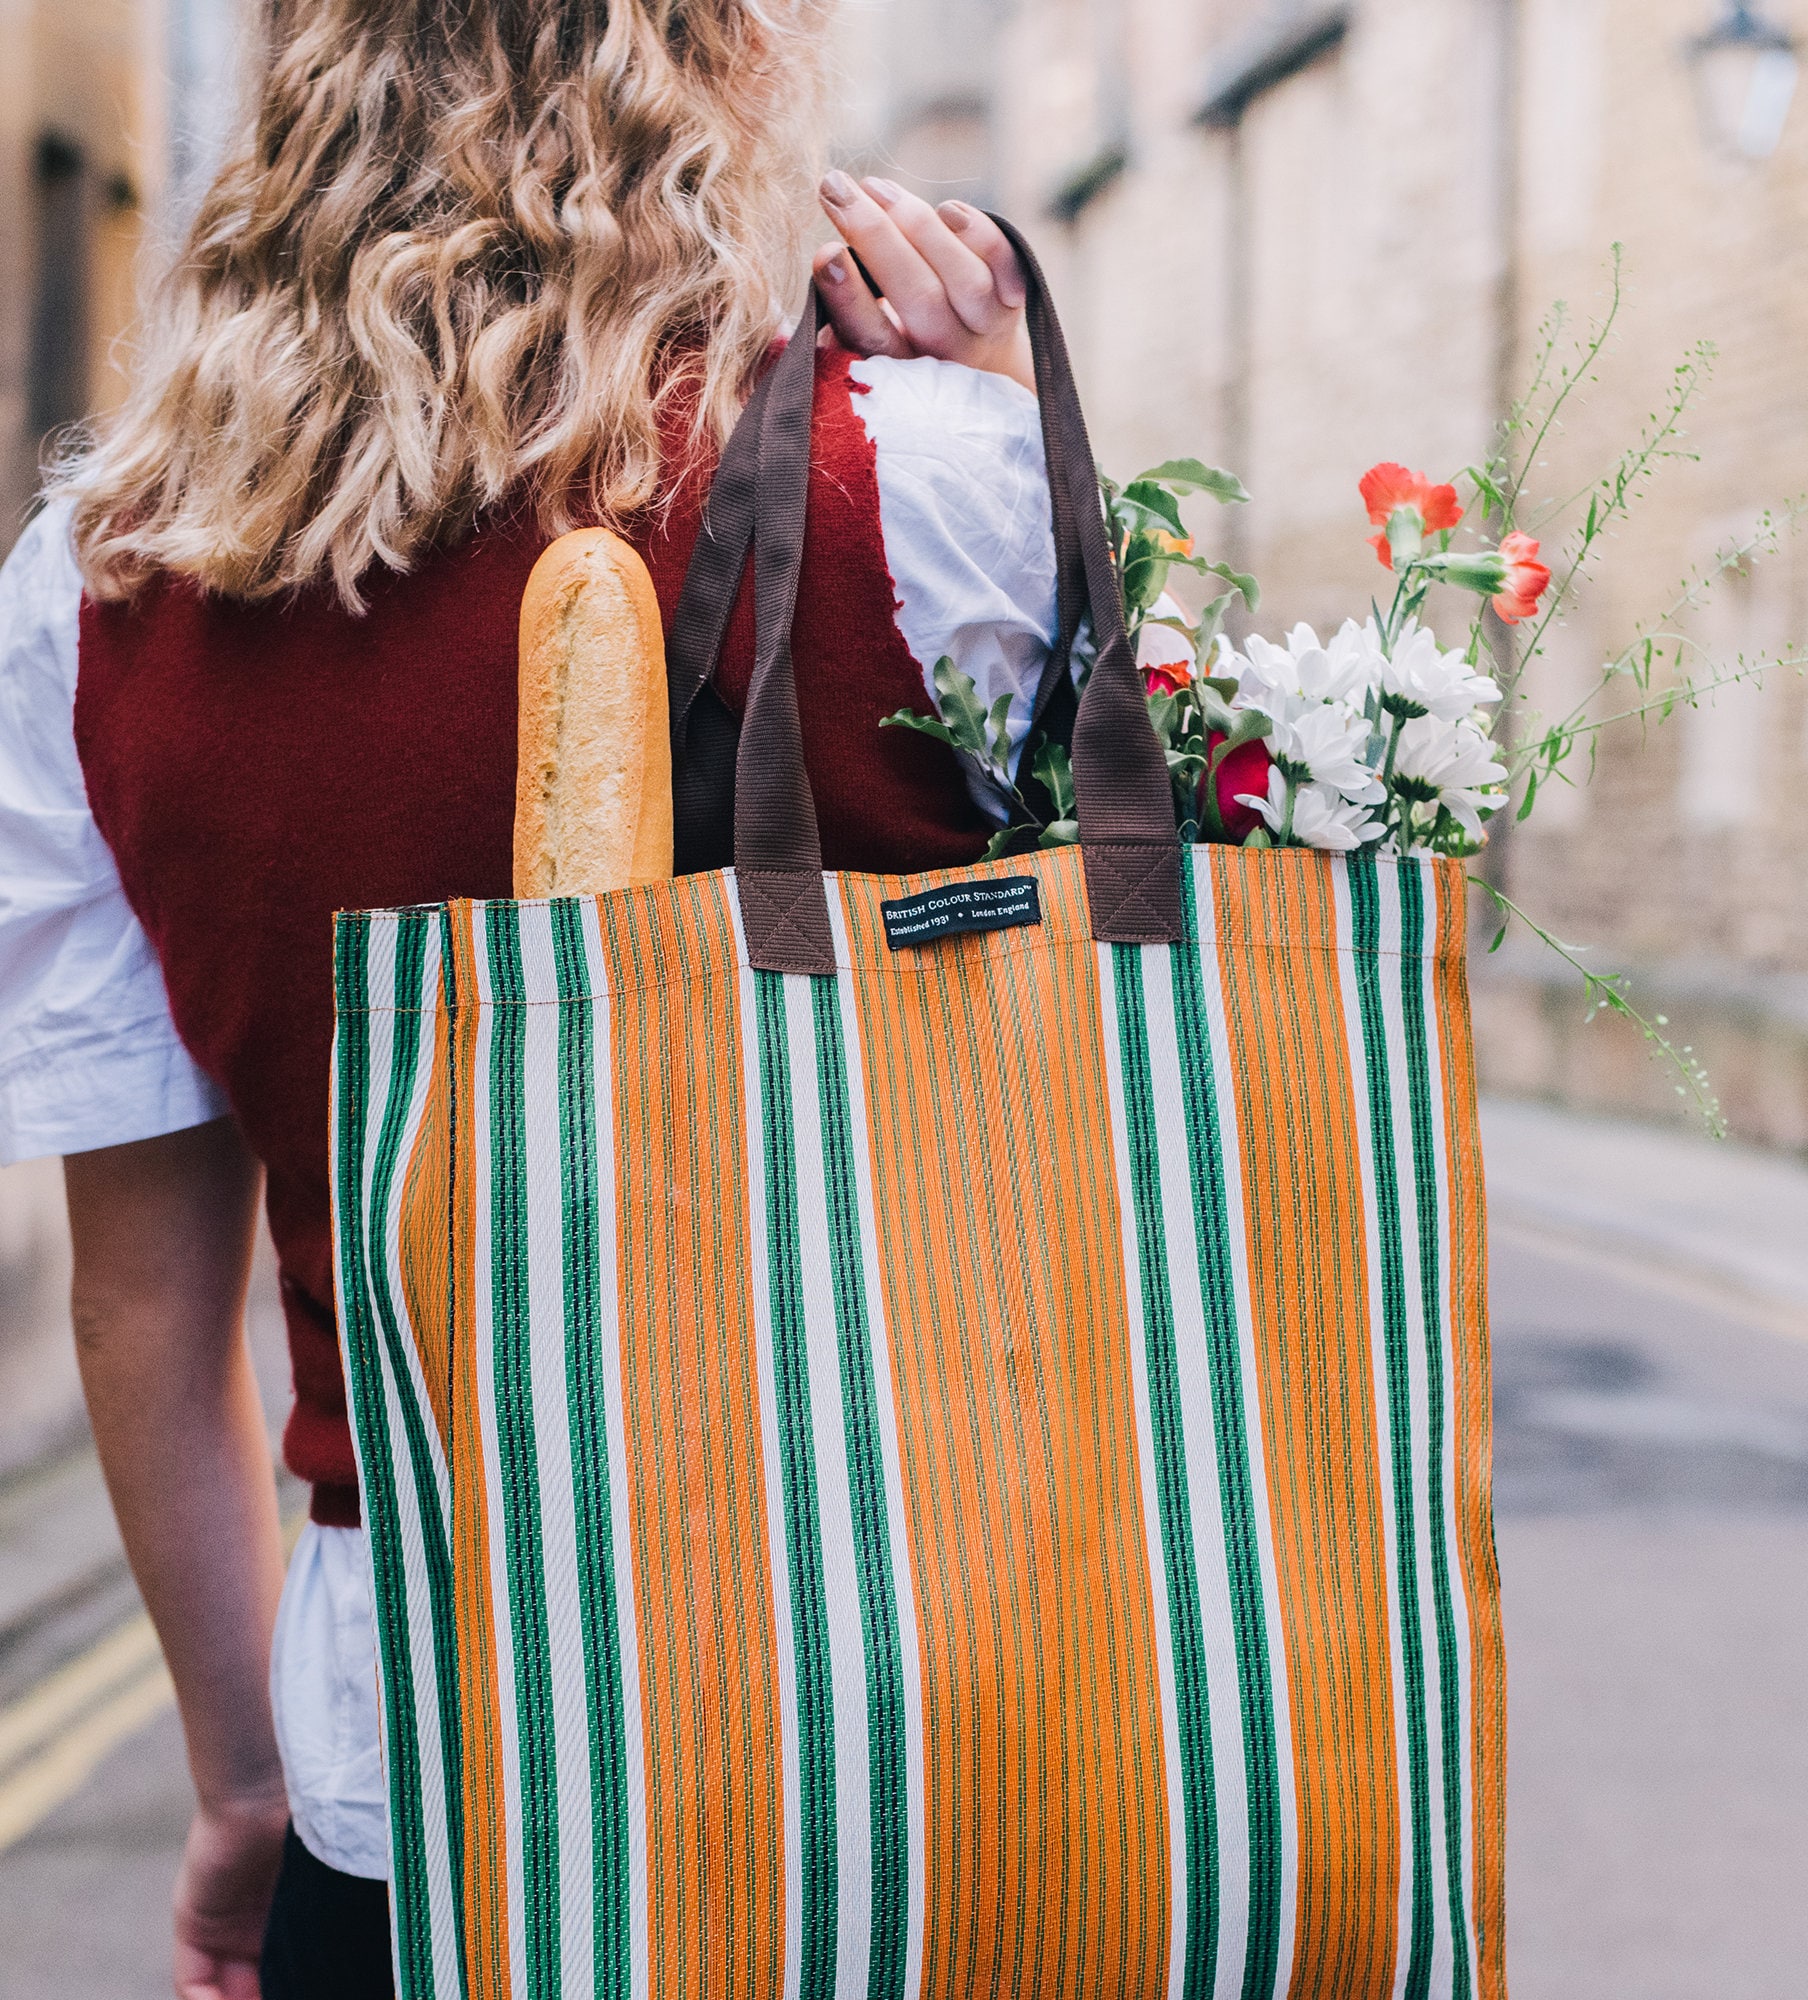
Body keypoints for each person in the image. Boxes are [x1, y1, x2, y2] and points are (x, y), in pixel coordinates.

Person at [0, 3, 1071, 1992]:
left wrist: (244, 1787)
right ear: (729, 69)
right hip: (950, 1721)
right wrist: (1015, 424)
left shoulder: (96, 591)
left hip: (421, 1771)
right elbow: (1104, 1014)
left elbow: (145, 1301)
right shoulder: (924, 484)